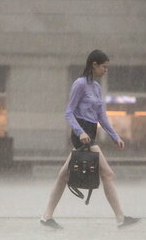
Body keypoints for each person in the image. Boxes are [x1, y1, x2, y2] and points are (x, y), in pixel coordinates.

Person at [40, 49, 140, 229]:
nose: (106, 70)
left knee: (64, 175)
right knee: (108, 173)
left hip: (90, 134)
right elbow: (69, 113)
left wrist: (115, 137)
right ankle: (120, 218)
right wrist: (80, 132)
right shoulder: (79, 84)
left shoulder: (96, 87)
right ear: (94, 65)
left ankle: (47, 217)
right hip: (82, 136)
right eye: (104, 67)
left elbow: (102, 116)